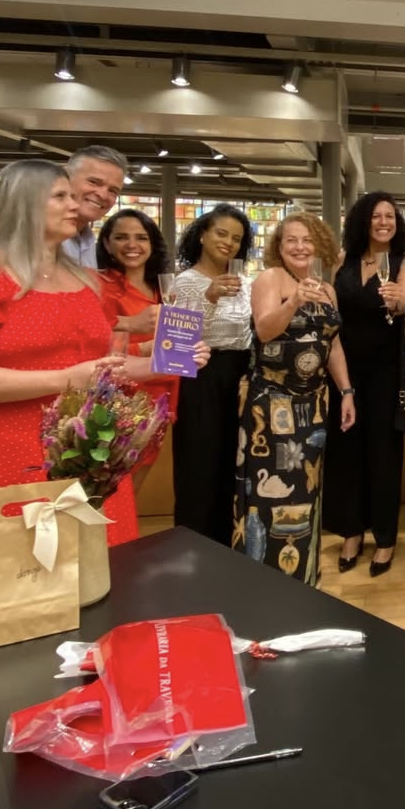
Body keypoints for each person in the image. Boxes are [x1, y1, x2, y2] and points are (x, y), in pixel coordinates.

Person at [0, 160, 210, 604]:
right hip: (0, 448)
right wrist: (64, 379)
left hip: (83, 446)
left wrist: (165, 364)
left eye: (73, 196)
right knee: (7, 579)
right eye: (61, 197)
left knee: (88, 578)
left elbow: (101, 366)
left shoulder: (82, 280)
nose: (77, 206)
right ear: (23, 205)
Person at [233, 212, 356, 587]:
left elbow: (332, 343)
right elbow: (266, 330)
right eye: (291, 240)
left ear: (319, 244)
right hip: (270, 405)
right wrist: (293, 302)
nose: (300, 247)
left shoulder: (327, 287)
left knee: (306, 488)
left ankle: (303, 573)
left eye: (306, 240)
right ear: (279, 246)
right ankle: (263, 579)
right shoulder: (271, 279)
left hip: (313, 403)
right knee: (269, 494)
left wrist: (346, 391)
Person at [322, 191, 405, 577]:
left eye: (390, 216)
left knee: (383, 455)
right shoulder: (341, 261)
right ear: (362, 220)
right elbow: (330, 311)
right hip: (343, 369)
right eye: (376, 216)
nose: (384, 222)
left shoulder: (403, 261)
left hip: (383, 373)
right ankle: (351, 532)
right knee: (346, 452)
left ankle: (385, 538)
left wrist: (397, 300)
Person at [171, 203, 255, 546]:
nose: (228, 243)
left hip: (240, 377)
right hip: (201, 375)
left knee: (232, 463)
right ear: (203, 234)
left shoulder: (246, 283)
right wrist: (209, 297)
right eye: (221, 233)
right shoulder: (184, 281)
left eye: (236, 239)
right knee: (199, 463)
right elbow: (176, 341)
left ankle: (226, 544)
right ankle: (193, 543)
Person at [95, 208, 179, 493]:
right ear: (107, 243)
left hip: (161, 396)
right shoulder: (99, 287)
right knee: (113, 487)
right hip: (122, 400)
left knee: (136, 486)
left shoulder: (163, 288)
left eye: (141, 237)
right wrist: (143, 347)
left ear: (152, 243)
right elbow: (94, 348)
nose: (132, 245)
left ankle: (124, 537)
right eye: (121, 237)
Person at [62, 146, 127, 270]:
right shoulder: (36, 235)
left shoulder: (88, 239)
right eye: (94, 182)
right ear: (65, 178)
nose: (103, 195)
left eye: (113, 191)